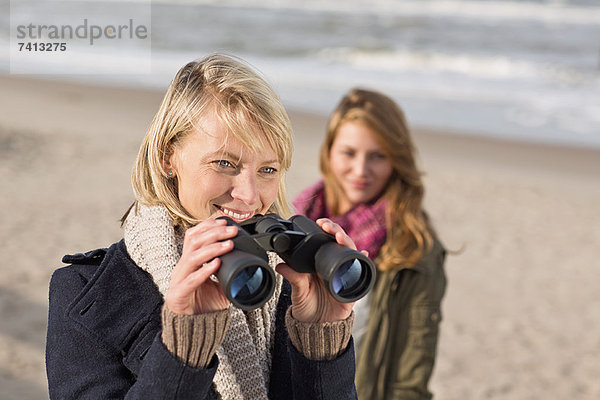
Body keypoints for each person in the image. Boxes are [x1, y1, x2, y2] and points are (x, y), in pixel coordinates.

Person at [45, 54, 360, 399]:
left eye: (267, 170)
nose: (249, 195)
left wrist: (321, 343)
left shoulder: (289, 284)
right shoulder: (85, 293)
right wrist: (184, 347)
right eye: (225, 163)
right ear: (168, 157)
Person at [293, 88, 447, 400]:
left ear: (396, 159)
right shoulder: (299, 222)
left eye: (377, 156)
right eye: (349, 153)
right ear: (329, 153)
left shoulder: (415, 249)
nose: (361, 171)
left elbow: (410, 380)